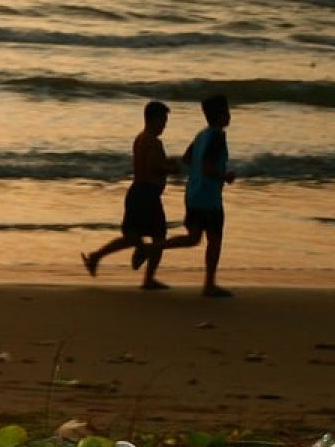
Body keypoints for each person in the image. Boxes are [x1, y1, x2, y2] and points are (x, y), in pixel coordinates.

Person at [83, 101, 175, 289]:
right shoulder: (152, 141)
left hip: (138, 192)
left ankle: (97, 257)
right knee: (159, 237)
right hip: (147, 195)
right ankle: (148, 276)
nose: (165, 125)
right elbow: (153, 167)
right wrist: (171, 168)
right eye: (163, 120)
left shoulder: (140, 138)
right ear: (153, 120)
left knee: (132, 237)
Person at [163, 94, 237, 297]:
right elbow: (206, 167)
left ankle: (154, 248)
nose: (229, 116)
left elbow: (187, 159)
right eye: (227, 112)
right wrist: (225, 176)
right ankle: (209, 284)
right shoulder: (217, 137)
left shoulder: (201, 135)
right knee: (214, 240)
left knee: (193, 238)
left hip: (193, 194)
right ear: (220, 115)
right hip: (209, 198)